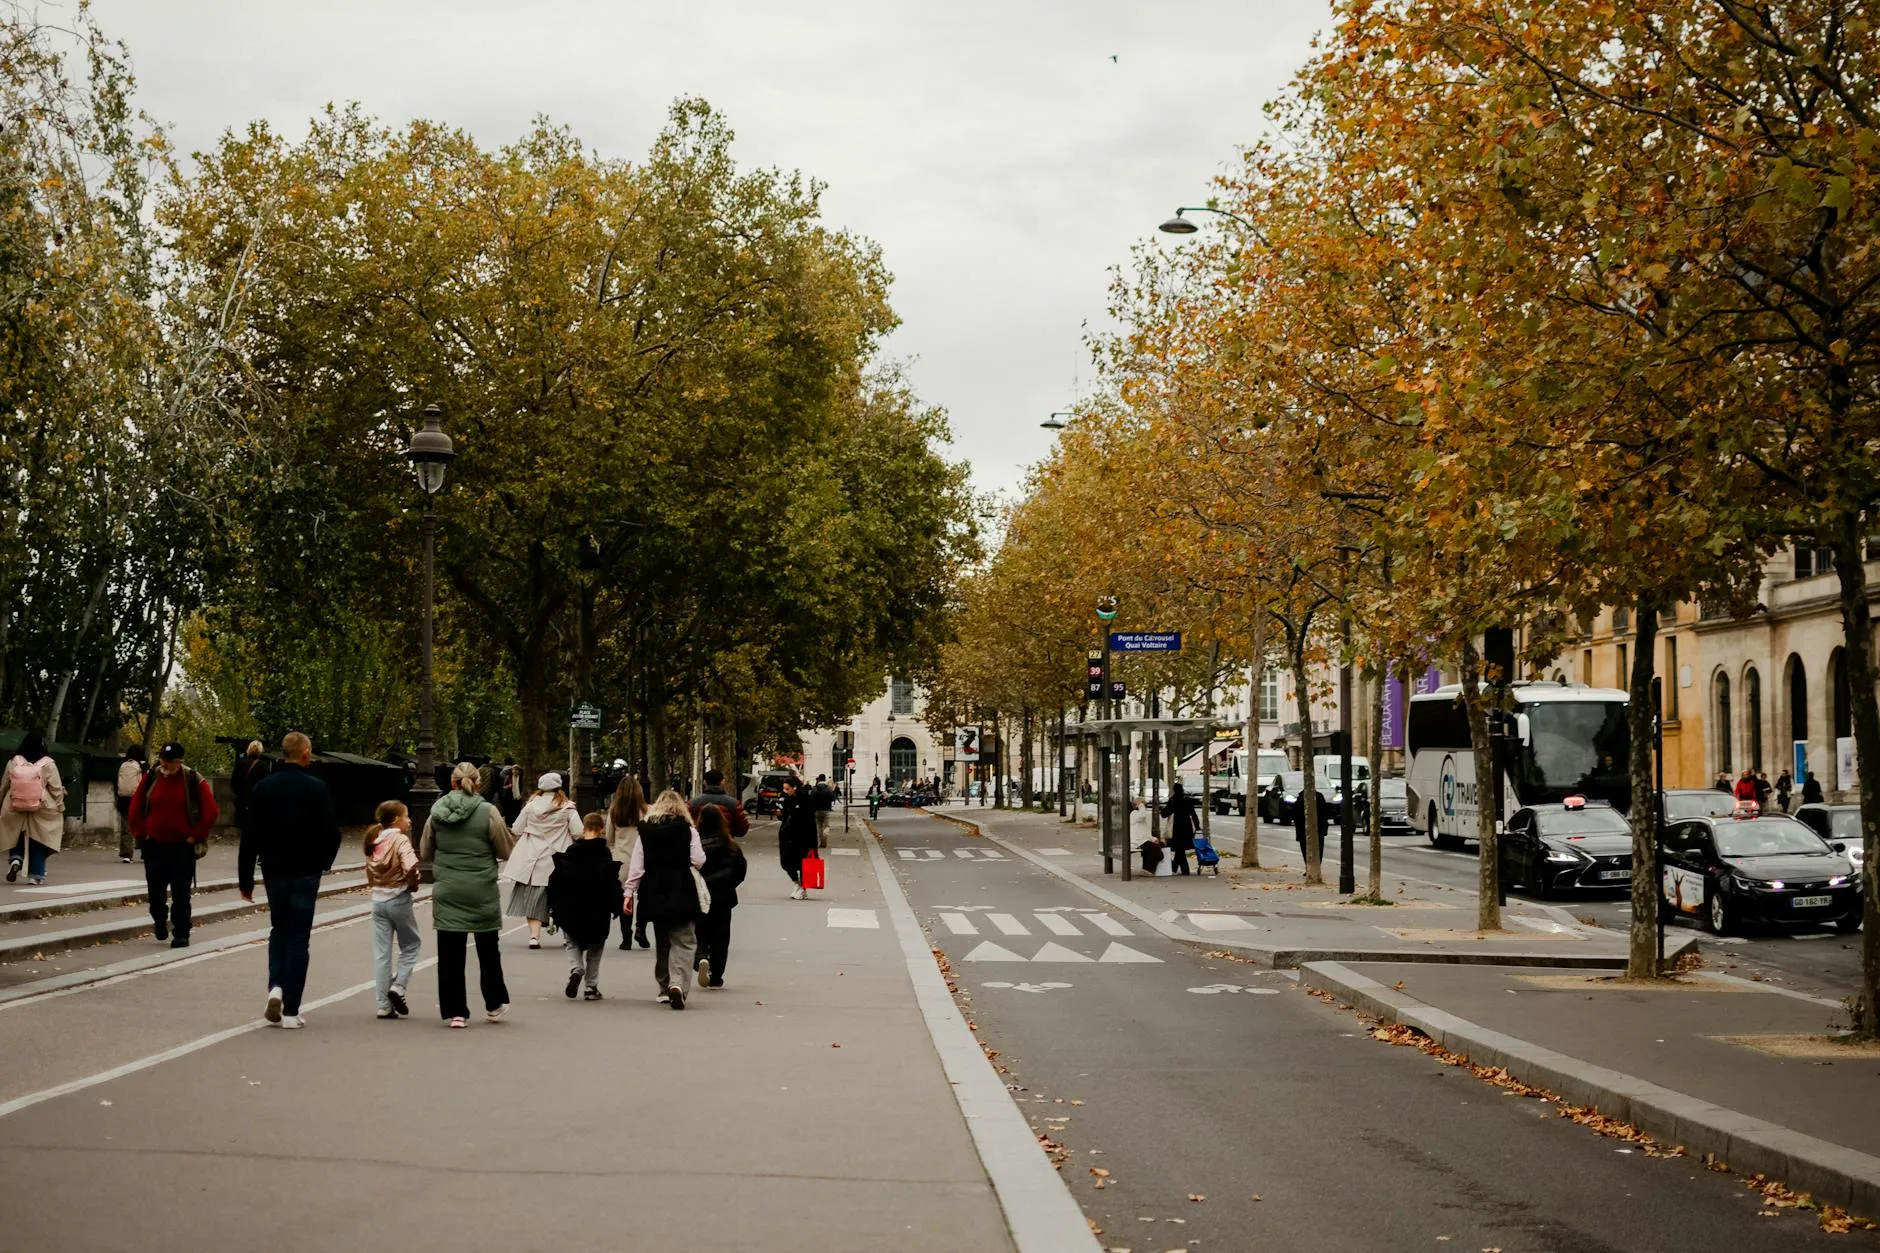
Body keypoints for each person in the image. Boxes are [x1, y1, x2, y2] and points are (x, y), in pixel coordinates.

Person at [239, 732, 341, 1029]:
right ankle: (292, 1011)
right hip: (306, 871)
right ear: (305, 753)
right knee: (299, 937)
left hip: (274, 870)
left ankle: (276, 986)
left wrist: (246, 878)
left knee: (278, 929)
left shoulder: (262, 788)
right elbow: (332, 832)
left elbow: (250, 836)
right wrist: (324, 862)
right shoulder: (316, 788)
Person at [423, 762, 515, 1028]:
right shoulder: (488, 811)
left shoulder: (436, 811)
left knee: (450, 952)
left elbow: (426, 850)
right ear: (478, 783)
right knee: (488, 950)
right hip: (480, 888)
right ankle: (494, 1003)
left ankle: (455, 1011)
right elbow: (505, 850)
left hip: (448, 887)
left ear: (451, 783)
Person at [622, 788, 707, 1009]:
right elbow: (698, 860)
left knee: (663, 939)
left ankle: (663, 986)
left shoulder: (645, 831)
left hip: (654, 887)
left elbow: (637, 866)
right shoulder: (688, 830)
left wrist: (629, 892)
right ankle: (677, 984)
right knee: (685, 939)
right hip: (682, 885)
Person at [128, 742, 218, 946]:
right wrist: (142, 833)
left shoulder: (193, 779)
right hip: (154, 845)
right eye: (163, 760)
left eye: (170, 762)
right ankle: (160, 921)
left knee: (181, 893)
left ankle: (181, 932)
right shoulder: (151, 777)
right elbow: (136, 805)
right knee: (156, 894)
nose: (165, 765)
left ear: (179, 762)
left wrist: (195, 835)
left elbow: (211, 811)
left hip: (181, 847)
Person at [547, 811, 625, 1001]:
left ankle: (576, 968)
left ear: (584, 828)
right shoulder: (604, 854)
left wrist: (553, 906)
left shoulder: (572, 852)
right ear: (601, 829)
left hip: (571, 905)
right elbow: (612, 882)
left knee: (572, 941)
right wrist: (617, 905)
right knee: (595, 947)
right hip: (597, 907)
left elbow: (556, 880)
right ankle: (591, 987)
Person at [503, 772, 579, 948]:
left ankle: (534, 937)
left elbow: (516, 829)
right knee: (565, 898)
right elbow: (577, 832)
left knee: (532, 899)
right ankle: (567, 936)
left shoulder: (530, 807)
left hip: (533, 860)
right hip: (560, 860)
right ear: (559, 787)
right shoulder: (568, 808)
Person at [363, 800, 421, 1019]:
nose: (409, 820)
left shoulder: (373, 839)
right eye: (406, 816)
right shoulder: (400, 840)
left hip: (377, 899)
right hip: (398, 898)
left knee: (382, 953)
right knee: (411, 945)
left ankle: (383, 1005)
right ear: (397, 819)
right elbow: (411, 867)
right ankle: (398, 986)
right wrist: (413, 884)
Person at [2, 733, 65, 886]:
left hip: (14, 803)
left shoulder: (14, 761)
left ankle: (16, 858)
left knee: (15, 832)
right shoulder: (48, 763)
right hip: (41, 805)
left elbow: (5, 784)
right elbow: (56, 788)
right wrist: (60, 806)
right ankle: (35, 875)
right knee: (39, 838)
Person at [694, 803, 746, 989]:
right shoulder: (730, 846)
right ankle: (716, 975)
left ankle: (700, 956)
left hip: (700, 896)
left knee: (699, 931)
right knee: (721, 937)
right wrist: (729, 884)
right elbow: (740, 870)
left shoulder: (695, 845)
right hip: (723, 897)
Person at [607, 773, 649, 950]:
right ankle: (641, 927)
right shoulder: (647, 811)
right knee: (645, 897)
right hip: (644, 858)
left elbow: (609, 837)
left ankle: (626, 937)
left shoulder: (615, 812)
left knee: (626, 898)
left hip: (622, 859)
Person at [777, 775, 817, 899]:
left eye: (788, 789)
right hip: (787, 836)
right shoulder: (786, 799)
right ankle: (797, 883)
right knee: (786, 863)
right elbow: (785, 817)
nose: (785, 791)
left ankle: (803, 888)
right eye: (784, 789)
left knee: (802, 864)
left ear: (794, 788)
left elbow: (810, 822)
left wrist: (813, 843)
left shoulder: (805, 800)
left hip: (802, 837)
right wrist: (780, 813)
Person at [689, 767, 750, 839]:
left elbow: (687, 825)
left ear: (705, 782)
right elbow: (742, 829)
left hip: (700, 843)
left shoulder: (693, 803)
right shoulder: (734, 804)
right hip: (725, 843)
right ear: (723, 781)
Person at [229, 740, 273, 839]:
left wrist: (241, 794)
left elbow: (233, 784)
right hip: (258, 805)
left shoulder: (240, 765)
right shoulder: (264, 766)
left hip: (243, 803)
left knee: (244, 833)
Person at [1160, 781, 1200, 876]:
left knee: (1179, 849)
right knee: (1180, 850)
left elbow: (1164, 814)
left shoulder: (1173, 801)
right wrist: (1197, 827)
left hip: (1176, 829)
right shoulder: (1187, 800)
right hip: (1186, 828)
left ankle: (1178, 869)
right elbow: (1194, 815)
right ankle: (1183, 870)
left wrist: (1162, 809)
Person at [115, 746, 146, 863]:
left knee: (126, 828)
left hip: (123, 801)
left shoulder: (122, 765)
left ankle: (126, 854)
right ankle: (145, 852)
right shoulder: (142, 766)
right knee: (143, 826)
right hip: (138, 801)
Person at [811, 773, 836, 848]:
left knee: (819, 826)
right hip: (826, 809)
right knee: (826, 825)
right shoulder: (828, 788)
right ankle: (825, 835)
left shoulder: (815, 788)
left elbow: (811, 799)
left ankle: (821, 841)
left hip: (817, 810)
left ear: (819, 779)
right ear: (825, 779)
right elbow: (833, 798)